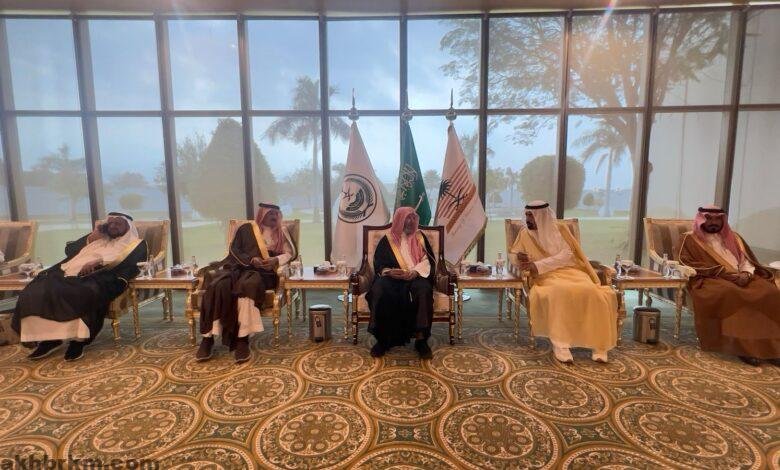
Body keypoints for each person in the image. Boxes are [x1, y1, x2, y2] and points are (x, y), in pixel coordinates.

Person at [12, 212, 147, 361]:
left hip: (102, 276)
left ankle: (78, 341)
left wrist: (100, 261)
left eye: (118, 223)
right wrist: (92, 237)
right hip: (65, 273)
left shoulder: (136, 244)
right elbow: (70, 250)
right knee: (34, 291)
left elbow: (132, 264)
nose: (113, 226)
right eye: (111, 223)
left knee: (81, 292)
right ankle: (50, 339)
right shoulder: (98, 239)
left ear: (128, 226)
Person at [510, 201, 617, 363]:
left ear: (542, 216)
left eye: (531, 216)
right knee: (559, 291)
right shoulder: (525, 234)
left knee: (593, 292)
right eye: (526, 215)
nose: (528, 219)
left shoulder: (560, 230)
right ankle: (561, 344)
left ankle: (599, 345)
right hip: (545, 277)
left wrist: (537, 265)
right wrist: (519, 257)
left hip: (571, 272)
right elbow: (513, 254)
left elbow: (567, 255)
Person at [678, 205, 780, 366]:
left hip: (742, 276)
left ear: (723, 220)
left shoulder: (735, 238)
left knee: (770, 292)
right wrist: (725, 274)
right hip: (712, 278)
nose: (713, 222)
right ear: (701, 219)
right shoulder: (689, 239)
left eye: (717, 219)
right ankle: (743, 348)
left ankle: (771, 347)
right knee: (730, 293)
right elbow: (686, 262)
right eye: (709, 218)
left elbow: (746, 260)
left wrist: (746, 274)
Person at [197, 203, 295, 363]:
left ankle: (242, 339)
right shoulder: (246, 229)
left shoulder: (281, 232)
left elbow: (289, 254)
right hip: (239, 268)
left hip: (263, 274)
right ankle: (207, 338)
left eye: (276, 214)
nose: (273, 217)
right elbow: (234, 250)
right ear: (262, 214)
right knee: (218, 286)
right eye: (270, 213)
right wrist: (250, 259)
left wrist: (275, 260)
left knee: (248, 287)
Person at [367, 207, 435, 359]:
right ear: (399, 220)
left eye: (413, 218)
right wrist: (388, 271)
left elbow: (427, 260)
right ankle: (382, 340)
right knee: (378, 289)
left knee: (424, 291)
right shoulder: (387, 239)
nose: (411, 222)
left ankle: (421, 340)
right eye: (407, 218)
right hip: (392, 277)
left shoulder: (420, 237)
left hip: (416, 276)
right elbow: (379, 262)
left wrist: (416, 271)